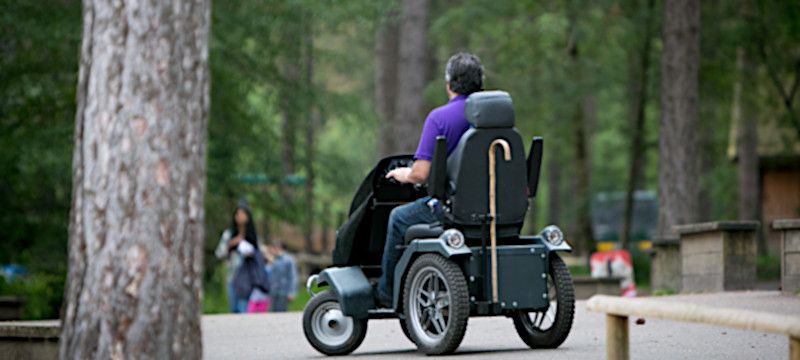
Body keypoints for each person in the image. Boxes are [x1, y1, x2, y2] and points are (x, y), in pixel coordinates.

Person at [376, 52, 485, 307]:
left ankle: (387, 292)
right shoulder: (497, 120)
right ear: (480, 83)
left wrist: (403, 174)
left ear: (449, 83)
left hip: (454, 211)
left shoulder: (440, 118)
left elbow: (421, 174)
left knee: (398, 218)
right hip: (498, 211)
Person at [215, 206, 260, 313]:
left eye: (242, 214)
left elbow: (259, 255)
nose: (240, 216)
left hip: (248, 277)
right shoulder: (228, 234)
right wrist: (231, 244)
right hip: (232, 275)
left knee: (243, 307)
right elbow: (219, 254)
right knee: (234, 308)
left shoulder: (253, 236)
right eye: (237, 214)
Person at [266, 240, 298, 312]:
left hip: (283, 291)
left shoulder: (288, 260)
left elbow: (293, 276)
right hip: (273, 291)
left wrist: (292, 292)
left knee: (281, 312)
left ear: (277, 248)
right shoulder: (273, 259)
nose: (270, 251)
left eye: (272, 249)